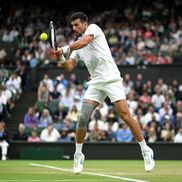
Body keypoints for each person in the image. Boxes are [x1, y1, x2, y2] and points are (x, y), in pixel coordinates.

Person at [53, 12, 155, 174]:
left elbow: (85, 41)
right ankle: (78, 155)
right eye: (72, 25)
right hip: (96, 83)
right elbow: (69, 67)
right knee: (82, 118)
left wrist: (64, 48)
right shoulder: (77, 47)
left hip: (112, 79)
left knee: (125, 115)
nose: (74, 28)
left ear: (85, 24)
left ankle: (146, 150)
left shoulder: (93, 29)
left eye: (77, 24)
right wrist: (60, 58)